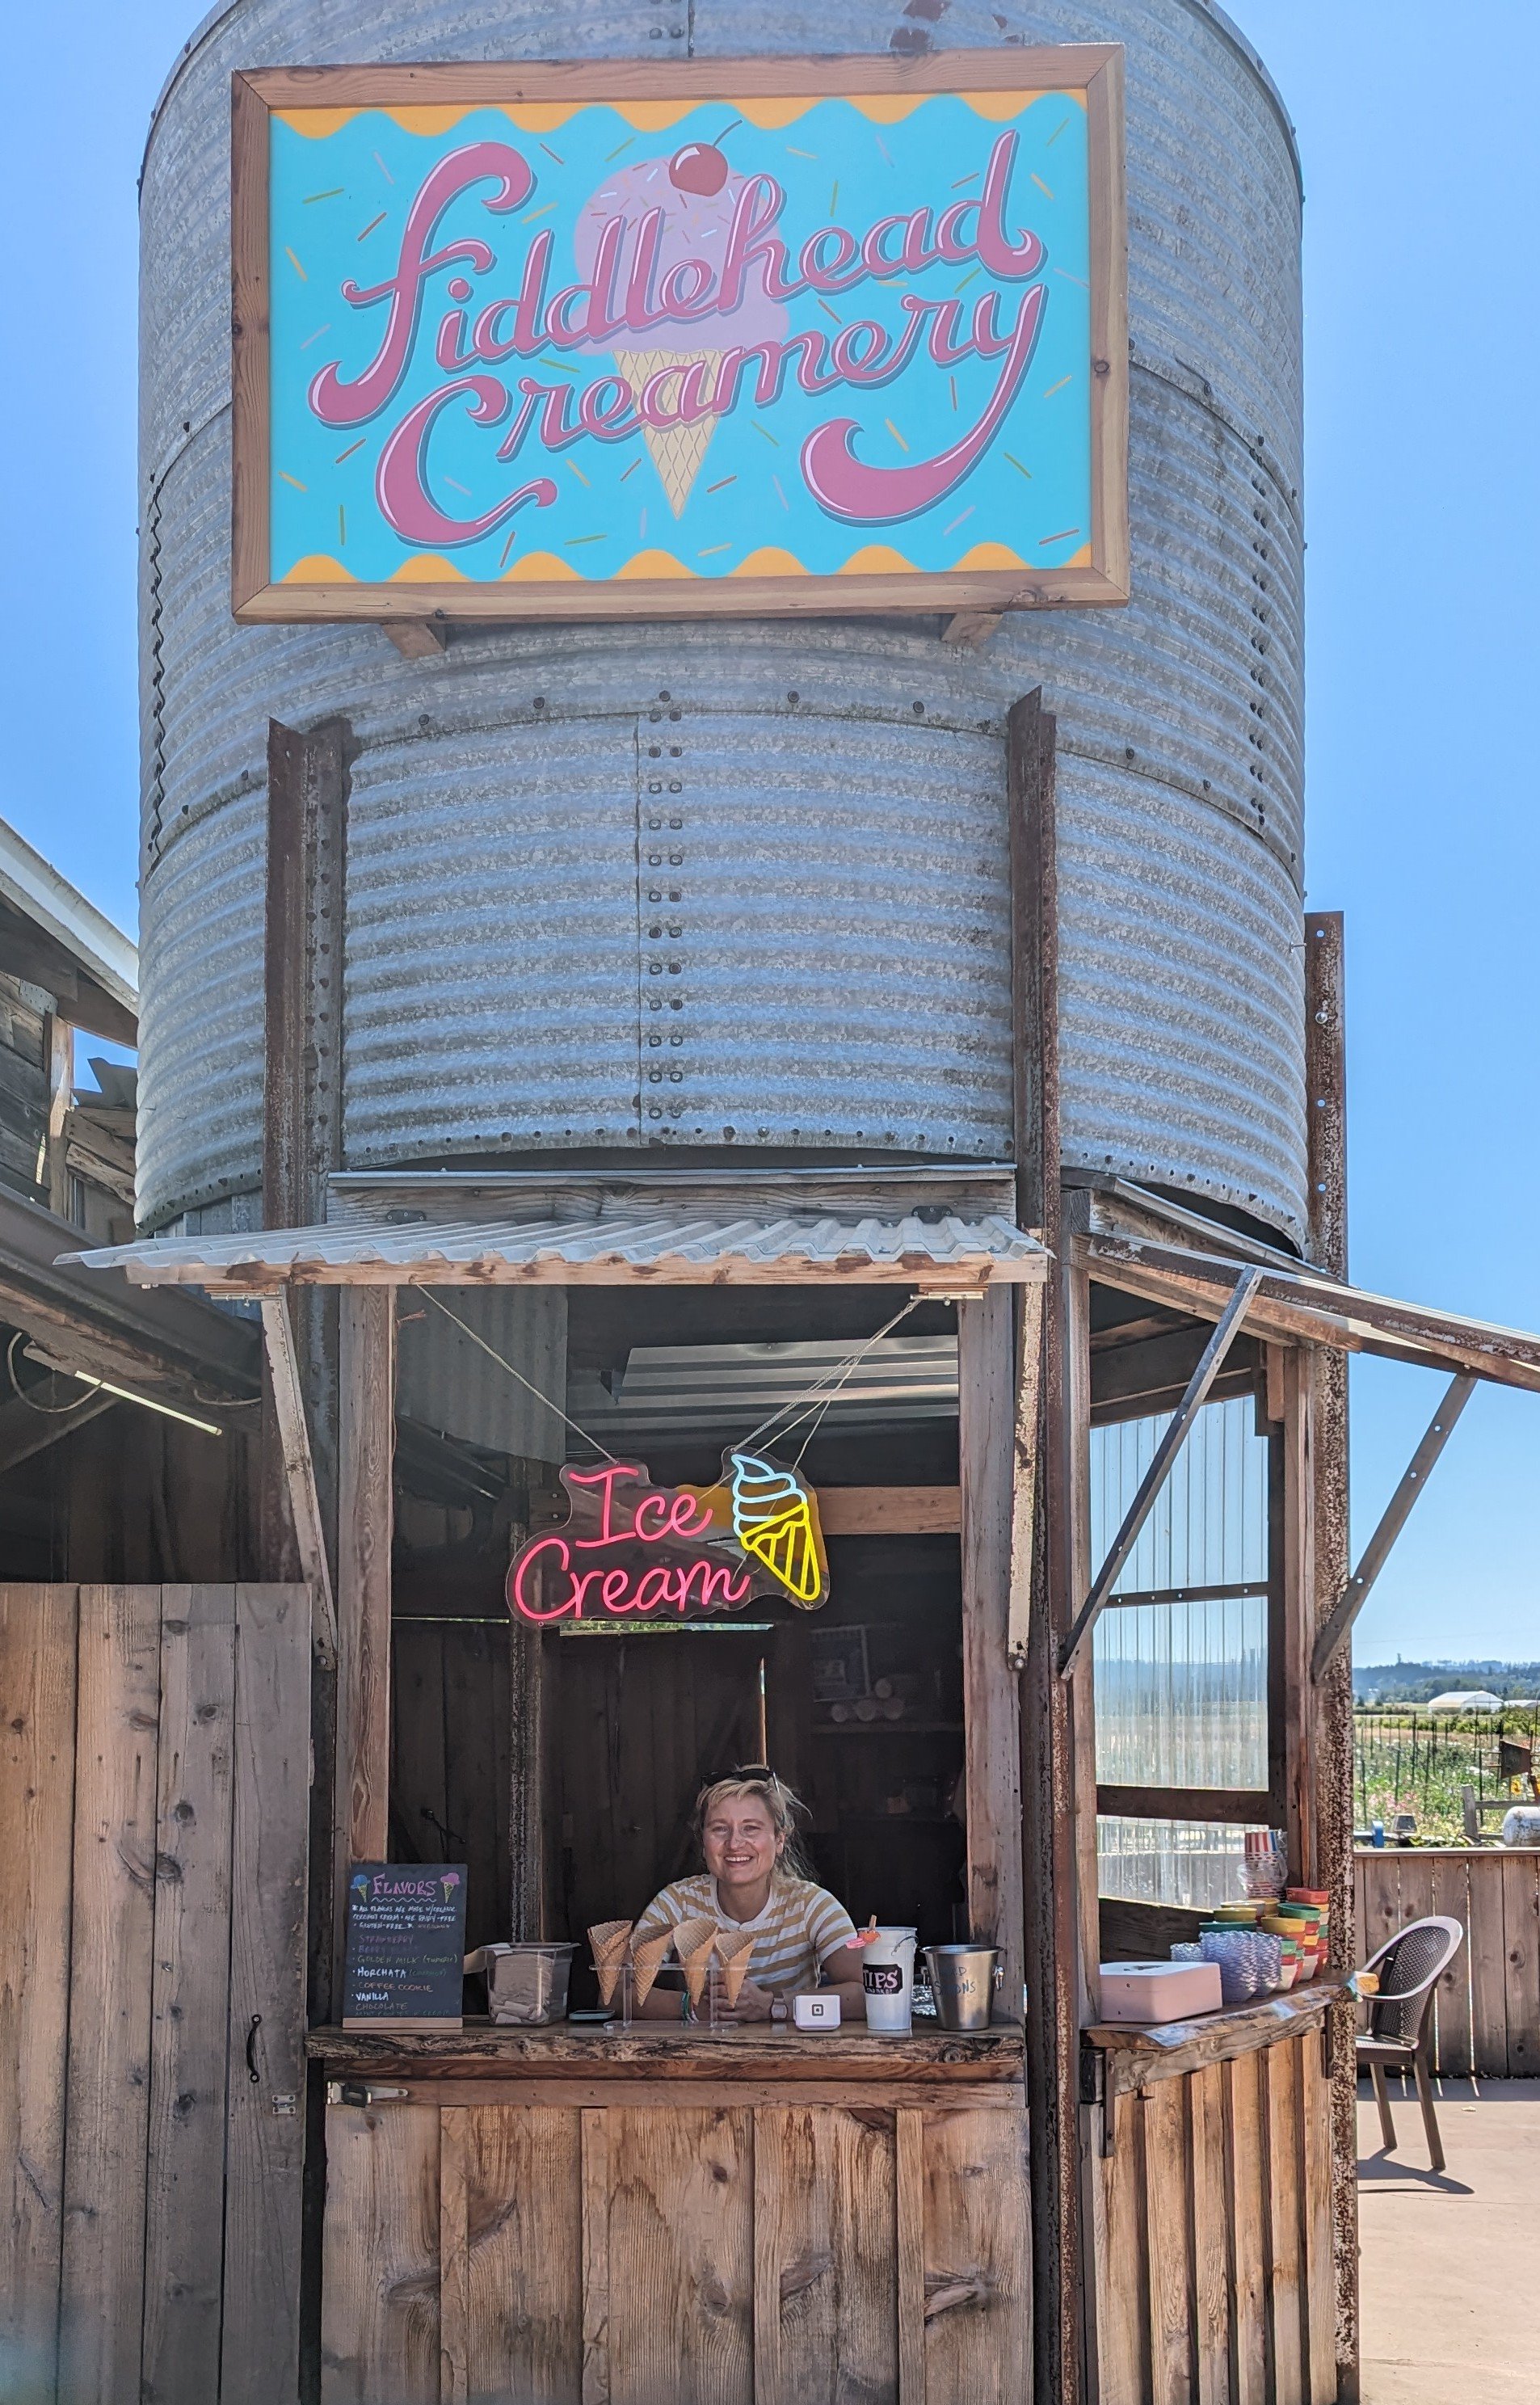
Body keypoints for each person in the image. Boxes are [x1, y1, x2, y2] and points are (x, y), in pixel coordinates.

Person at [630, 1769, 869, 2023]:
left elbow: (868, 1994)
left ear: (779, 1840)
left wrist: (771, 2005)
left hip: (795, 2058)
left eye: (751, 1829)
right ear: (703, 1843)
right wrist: (691, 2007)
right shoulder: (677, 1902)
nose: (734, 1843)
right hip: (699, 2058)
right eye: (720, 1829)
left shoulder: (812, 1905)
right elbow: (615, 1992)